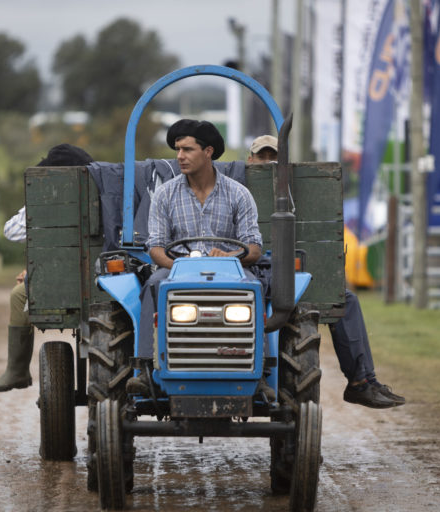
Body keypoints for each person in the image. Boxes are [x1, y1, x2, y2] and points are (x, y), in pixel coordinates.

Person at [247, 135, 405, 408]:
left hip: (284, 274)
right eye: (262, 157)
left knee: (346, 300)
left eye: (274, 157)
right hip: (252, 274)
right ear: (250, 161)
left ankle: (362, 381)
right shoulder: (242, 188)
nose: (269, 162)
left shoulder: (304, 191)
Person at [126, 119, 263, 394]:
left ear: (209, 151)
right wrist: (179, 266)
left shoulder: (239, 194)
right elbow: (155, 247)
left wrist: (228, 255)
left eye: (187, 149)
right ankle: (144, 368)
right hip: (177, 270)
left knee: (253, 289)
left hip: (229, 271)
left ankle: (262, 373)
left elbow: (254, 248)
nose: (180, 157)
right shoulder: (165, 194)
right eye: (178, 150)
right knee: (154, 284)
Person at [0, 144, 94, 392]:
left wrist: (38, 202)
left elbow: (11, 230)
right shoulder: (106, 190)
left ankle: (17, 371)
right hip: (100, 277)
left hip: (62, 276)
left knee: (18, 295)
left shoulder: (49, 199)